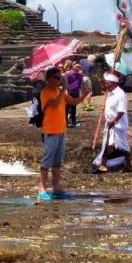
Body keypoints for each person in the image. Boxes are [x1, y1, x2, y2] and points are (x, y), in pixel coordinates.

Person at [37, 66, 89, 199]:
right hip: (50, 131)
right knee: (47, 160)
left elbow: (74, 102)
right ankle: (42, 188)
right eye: (58, 78)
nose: (60, 80)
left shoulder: (60, 92)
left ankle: (56, 188)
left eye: (61, 78)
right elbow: (54, 104)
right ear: (50, 79)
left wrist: (84, 95)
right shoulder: (46, 92)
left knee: (57, 162)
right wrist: (63, 90)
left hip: (61, 131)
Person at [94, 73, 132, 173]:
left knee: (122, 146)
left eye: (106, 83)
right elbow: (111, 107)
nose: (105, 85)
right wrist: (104, 107)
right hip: (110, 123)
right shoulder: (109, 93)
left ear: (112, 83)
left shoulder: (120, 94)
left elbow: (121, 111)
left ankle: (128, 166)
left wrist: (114, 121)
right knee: (108, 144)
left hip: (118, 124)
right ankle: (103, 165)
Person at [64, 62, 84, 127]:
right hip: (70, 91)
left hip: (76, 91)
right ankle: (65, 121)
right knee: (67, 107)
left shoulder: (79, 75)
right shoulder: (69, 74)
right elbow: (66, 84)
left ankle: (73, 121)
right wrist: (66, 91)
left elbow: (80, 84)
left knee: (74, 107)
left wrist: (81, 76)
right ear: (73, 66)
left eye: (79, 67)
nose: (78, 68)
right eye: (77, 66)